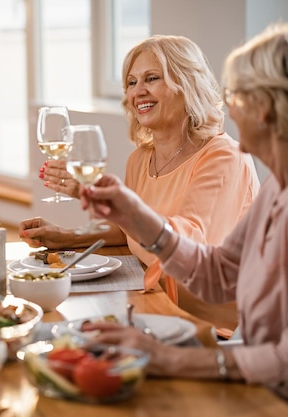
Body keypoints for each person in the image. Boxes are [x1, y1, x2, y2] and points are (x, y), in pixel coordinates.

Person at [80, 23, 288, 399]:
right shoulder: (278, 187)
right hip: (247, 363)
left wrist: (168, 359)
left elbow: (281, 361)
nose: (230, 109)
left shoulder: (225, 156)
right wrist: (134, 216)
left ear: (269, 108)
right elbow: (218, 272)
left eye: (238, 95)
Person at [20, 34, 260, 335]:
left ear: (187, 85)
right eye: (131, 83)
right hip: (155, 305)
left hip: (214, 328)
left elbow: (189, 244)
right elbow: (131, 228)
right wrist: (66, 237)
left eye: (151, 78)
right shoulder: (140, 159)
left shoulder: (224, 157)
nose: (138, 92)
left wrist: (98, 195)